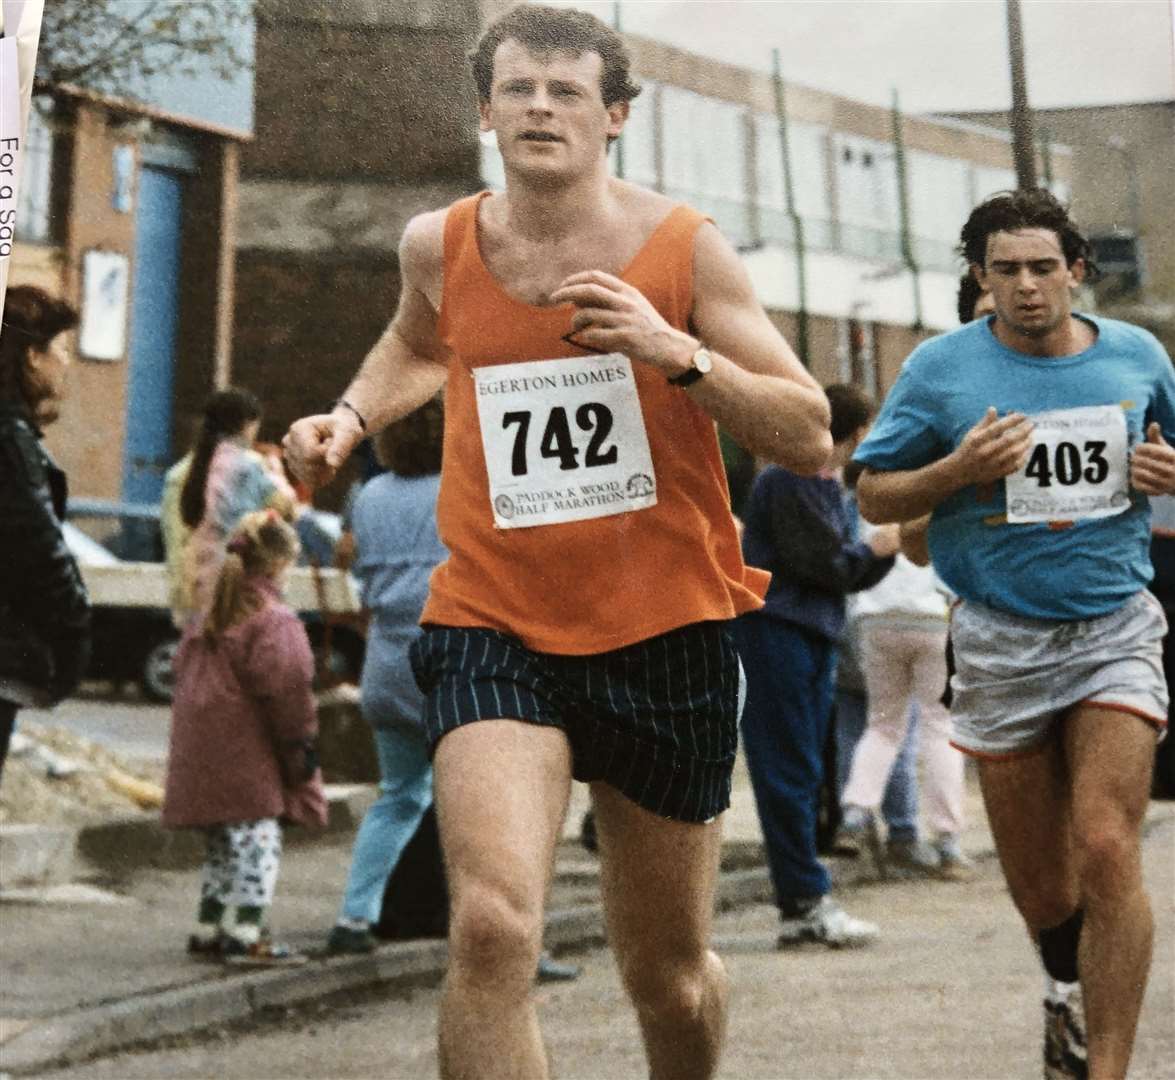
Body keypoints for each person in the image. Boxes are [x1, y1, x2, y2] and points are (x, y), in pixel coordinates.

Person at [283, 6, 831, 1077]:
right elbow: (414, 343)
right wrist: (349, 420)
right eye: (519, 89)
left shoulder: (682, 248)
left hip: (662, 628)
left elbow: (807, 431)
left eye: (566, 91)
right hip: (494, 620)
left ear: (613, 116)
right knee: (490, 928)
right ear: (486, 111)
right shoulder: (438, 244)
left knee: (665, 976)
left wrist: (671, 350)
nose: (540, 108)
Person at [854, 188, 1175, 1080]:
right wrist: (958, 470)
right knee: (1042, 886)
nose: (1027, 287)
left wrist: (1168, 472)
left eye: (1043, 268)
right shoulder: (939, 370)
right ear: (978, 278)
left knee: (1108, 844)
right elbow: (873, 494)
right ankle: (1063, 992)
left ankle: (1106, 1067)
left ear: (1076, 271)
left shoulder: (1137, 355)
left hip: (1113, 626)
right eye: (1006, 271)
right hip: (997, 637)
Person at [733, 384, 898, 949]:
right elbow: (826, 566)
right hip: (779, 631)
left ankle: (805, 896)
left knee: (802, 766)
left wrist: (873, 556)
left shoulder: (814, 482)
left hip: (801, 631)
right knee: (788, 766)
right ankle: (803, 900)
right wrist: (878, 551)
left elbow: (833, 571)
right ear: (850, 432)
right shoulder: (792, 478)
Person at [162, 509, 328, 965]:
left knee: (222, 844)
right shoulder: (275, 622)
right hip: (244, 754)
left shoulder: (210, 614)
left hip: (201, 750)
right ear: (277, 565)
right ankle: (246, 931)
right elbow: (289, 696)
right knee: (259, 844)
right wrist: (301, 754)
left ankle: (208, 924)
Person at [325, 399, 446, 954]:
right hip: (454, 658)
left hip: (388, 660)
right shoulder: (461, 491)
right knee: (486, 807)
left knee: (397, 796)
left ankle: (354, 916)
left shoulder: (368, 497)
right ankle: (508, 941)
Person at [836, 516, 973, 880]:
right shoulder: (935, 486)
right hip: (932, 614)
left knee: (882, 725)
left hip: (876, 616)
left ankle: (855, 812)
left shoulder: (874, 492)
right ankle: (947, 842)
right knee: (940, 726)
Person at [0, 286, 90, 778]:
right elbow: (39, 550)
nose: (68, 363)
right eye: (61, 349)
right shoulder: (10, 441)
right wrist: (74, 627)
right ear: (32, 357)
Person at [174, 388, 292, 626]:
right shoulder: (248, 465)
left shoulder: (201, 464)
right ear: (247, 424)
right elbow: (287, 506)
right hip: (238, 580)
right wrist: (276, 471)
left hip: (200, 575)